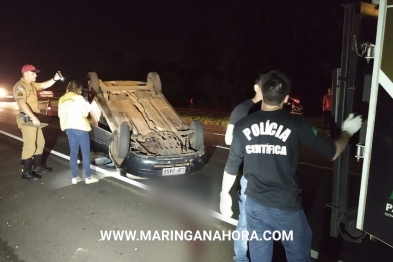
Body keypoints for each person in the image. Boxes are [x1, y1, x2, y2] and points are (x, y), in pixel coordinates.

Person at [219, 70, 362, 261]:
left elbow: (232, 163)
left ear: (262, 91)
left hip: (254, 205)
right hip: (285, 206)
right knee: (299, 253)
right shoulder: (296, 123)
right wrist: (347, 131)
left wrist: (223, 193)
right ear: (286, 98)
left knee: (260, 255)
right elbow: (333, 151)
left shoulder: (243, 125)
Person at [224, 74, 263, 262]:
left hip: (268, 177)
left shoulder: (273, 112)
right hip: (248, 173)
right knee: (246, 223)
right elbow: (228, 140)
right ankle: (240, 258)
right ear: (256, 87)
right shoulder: (243, 109)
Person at [13, 64, 62, 181]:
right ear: (26, 73)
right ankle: (25, 173)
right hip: (27, 119)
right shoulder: (20, 86)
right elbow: (21, 102)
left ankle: (37, 167)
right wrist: (33, 117)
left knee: (40, 143)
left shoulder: (32, 85)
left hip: (34, 118)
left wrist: (55, 78)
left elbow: (45, 84)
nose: (36, 75)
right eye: (33, 73)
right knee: (30, 145)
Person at [58, 80, 99, 185]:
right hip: (80, 127)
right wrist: (89, 105)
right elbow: (85, 113)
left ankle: (74, 177)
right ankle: (88, 177)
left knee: (73, 153)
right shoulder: (79, 98)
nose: (81, 91)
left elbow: (59, 114)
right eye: (80, 89)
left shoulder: (62, 99)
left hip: (68, 128)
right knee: (85, 153)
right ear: (78, 88)